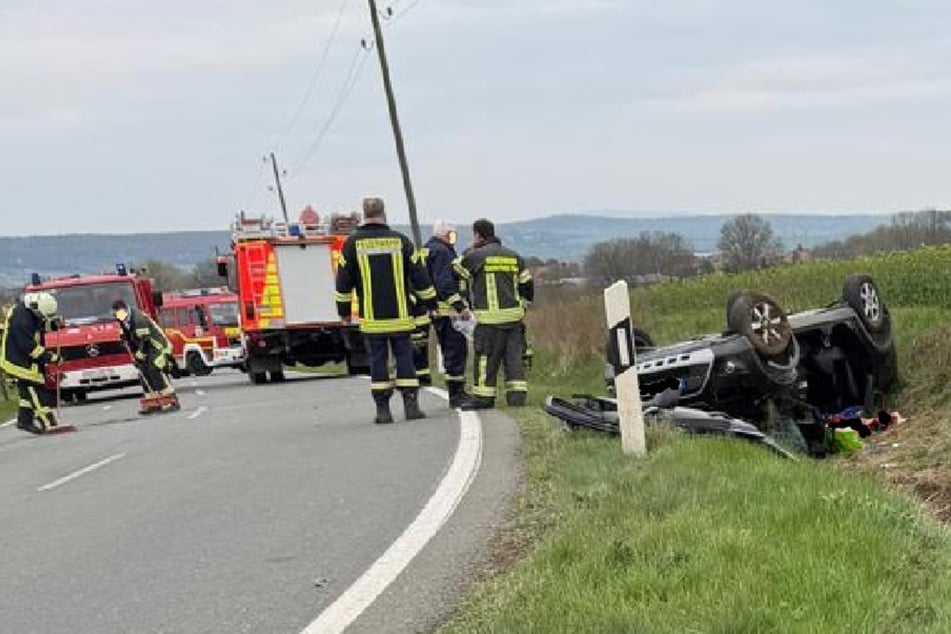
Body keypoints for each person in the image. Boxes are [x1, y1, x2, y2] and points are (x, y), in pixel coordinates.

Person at [335, 197, 437, 424]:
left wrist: (343, 312)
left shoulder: (351, 244)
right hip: (401, 316)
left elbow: (343, 283)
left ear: (364, 214)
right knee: (405, 359)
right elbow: (420, 277)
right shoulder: (401, 241)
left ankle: (383, 411)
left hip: (372, 319)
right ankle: (411, 407)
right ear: (384, 214)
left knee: (378, 361)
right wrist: (432, 304)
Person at [454, 218, 534, 409]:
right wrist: (523, 307)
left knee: (485, 359)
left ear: (478, 235)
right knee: (514, 360)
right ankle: (517, 399)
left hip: (489, 321)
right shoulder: (514, 257)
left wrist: (470, 249)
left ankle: (483, 398)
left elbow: (455, 268)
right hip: (514, 319)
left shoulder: (476, 256)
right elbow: (528, 286)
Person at [424, 220, 474, 409]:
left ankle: (457, 391)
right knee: (455, 351)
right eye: (452, 234)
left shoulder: (428, 249)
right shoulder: (443, 252)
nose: (453, 238)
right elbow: (444, 283)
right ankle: (456, 394)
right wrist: (460, 306)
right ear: (444, 234)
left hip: (437, 310)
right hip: (448, 312)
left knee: (450, 351)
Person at [0, 292, 62, 434]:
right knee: (35, 389)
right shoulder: (21, 321)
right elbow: (29, 347)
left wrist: (53, 324)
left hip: (25, 359)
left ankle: (24, 420)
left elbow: (39, 326)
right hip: (17, 361)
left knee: (25, 394)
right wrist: (51, 358)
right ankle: (47, 420)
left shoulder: (31, 311)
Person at [112, 299, 181, 415]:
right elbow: (130, 338)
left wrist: (140, 354)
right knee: (143, 371)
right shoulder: (123, 319)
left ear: (124, 310)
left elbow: (146, 340)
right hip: (144, 347)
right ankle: (152, 402)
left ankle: (171, 399)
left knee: (154, 368)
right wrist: (132, 350)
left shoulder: (139, 320)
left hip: (158, 346)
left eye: (117, 313)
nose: (116, 315)